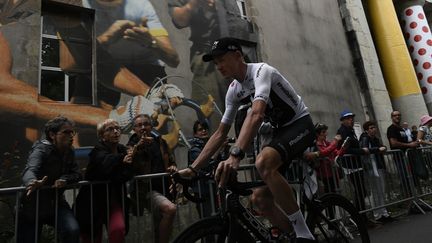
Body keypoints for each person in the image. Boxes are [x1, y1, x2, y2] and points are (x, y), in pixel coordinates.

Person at [178, 37, 316, 242]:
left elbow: (257, 114)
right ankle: (294, 237)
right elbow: (220, 133)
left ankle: (305, 234)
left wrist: (235, 155)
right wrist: (193, 169)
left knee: (263, 162)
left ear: (237, 56)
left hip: (299, 124)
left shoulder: (262, 71)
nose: (218, 66)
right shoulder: (234, 90)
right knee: (260, 200)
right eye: (215, 63)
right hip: (279, 132)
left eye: (221, 60)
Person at [167, 0, 249, 130]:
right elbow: (180, 19)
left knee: (246, 110)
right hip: (208, 58)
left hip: (236, 53)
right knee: (211, 114)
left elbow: (236, 20)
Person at [17, 116, 81, 243]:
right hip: (32, 206)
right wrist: (31, 182)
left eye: (72, 132)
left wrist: (65, 179)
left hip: (56, 203)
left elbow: (77, 174)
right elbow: (30, 169)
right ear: (52, 134)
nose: (71, 136)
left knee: (72, 230)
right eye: (66, 132)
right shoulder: (40, 149)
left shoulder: (70, 151)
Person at [75, 119, 135, 243]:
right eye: (110, 129)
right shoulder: (97, 151)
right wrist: (122, 160)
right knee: (92, 237)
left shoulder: (122, 150)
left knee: (118, 230)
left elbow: (128, 172)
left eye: (118, 128)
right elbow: (105, 164)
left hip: (114, 201)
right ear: (102, 135)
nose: (116, 131)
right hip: (93, 203)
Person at [127, 114, 177, 243]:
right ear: (134, 129)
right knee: (169, 209)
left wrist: (172, 167)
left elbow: (171, 160)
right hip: (146, 190)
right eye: (139, 125)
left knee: (162, 223)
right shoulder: (131, 145)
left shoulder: (160, 141)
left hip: (165, 187)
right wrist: (138, 147)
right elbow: (129, 165)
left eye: (146, 124)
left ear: (151, 126)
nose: (143, 127)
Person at [359, 121, 394, 223]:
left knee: (381, 190)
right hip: (371, 167)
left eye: (374, 127)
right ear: (366, 130)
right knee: (375, 191)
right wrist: (378, 149)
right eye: (371, 128)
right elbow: (365, 150)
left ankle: (384, 212)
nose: (373, 129)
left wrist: (382, 148)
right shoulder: (365, 138)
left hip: (378, 166)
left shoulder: (375, 138)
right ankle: (377, 215)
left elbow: (383, 146)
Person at [336, 110, 370, 212]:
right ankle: (359, 216)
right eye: (348, 118)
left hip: (356, 164)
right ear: (342, 121)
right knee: (360, 191)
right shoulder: (343, 131)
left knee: (361, 191)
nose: (351, 120)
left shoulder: (350, 130)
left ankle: (361, 216)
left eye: (352, 118)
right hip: (350, 166)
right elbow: (345, 149)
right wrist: (362, 151)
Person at [387, 111, 419, 196]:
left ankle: (414, 198)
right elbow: (393, 143)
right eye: (395, 115)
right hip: (399, 157)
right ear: (392, 117)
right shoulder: (391, 128)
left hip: (407, 156)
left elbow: (404, 141)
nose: (397, 117)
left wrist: (413, 143)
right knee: (405, 177)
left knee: (411, 177)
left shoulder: (401, 129)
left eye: (398, 115)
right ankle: (409, 200)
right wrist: (409, 145)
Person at [314, 123, 345, 194]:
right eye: (323, 132)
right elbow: (323, 153)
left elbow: (337, 153)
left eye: (325, 131)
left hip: (333, 172)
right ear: (317, 134)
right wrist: (335, 142)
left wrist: (343, 148)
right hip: (324, 174)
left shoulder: (326, 143)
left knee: (336, 191)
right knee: (329, 193)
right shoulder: (316, 144)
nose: (326, 134)